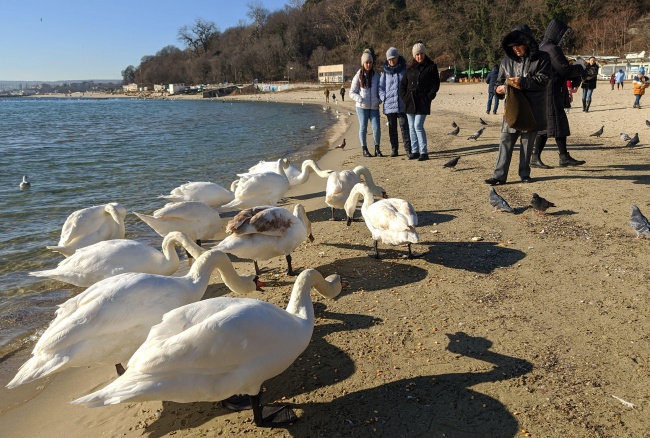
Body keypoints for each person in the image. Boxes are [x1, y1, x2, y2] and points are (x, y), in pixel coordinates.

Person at [485, 24, 551, 185]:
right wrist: (498, 90)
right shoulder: (506, 62)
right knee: (505, 141)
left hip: (532, 108)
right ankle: (499, 176)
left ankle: (524, 173)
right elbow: (498, 83)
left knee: (527, 144)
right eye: (512, 46)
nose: (516, 49)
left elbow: (544, 80)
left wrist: (522, 82)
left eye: (518, 45)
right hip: (512, 109)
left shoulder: (543, 58)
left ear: (527, 42)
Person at [532, 19, 586, 169]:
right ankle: (554, 157)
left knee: (551, 124)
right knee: (554, 122)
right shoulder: (552, 49)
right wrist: (580, 69)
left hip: (545, 91)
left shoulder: (541, 46)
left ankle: (556, 157)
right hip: (551, 92)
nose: (564, 38)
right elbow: (564, 70)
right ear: (558, 33)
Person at [399, 42, 440, 161]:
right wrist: (404, 96)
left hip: (423, 101)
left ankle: (424, 152)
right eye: (417, 54)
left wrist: (429, 97)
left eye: (421, 54)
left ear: (425, 53)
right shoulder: (409, 68)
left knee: (418, 125)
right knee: (411, 126)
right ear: (414, 55)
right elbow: (403, 84)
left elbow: (435, 85)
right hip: (410, 101)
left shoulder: (431, 67)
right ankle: (415, 150)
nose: (419, 56)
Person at [350, 49, 383, 157]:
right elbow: (351, 92)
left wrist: (379, 99)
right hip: (362, 107)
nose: (368, 64)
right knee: (363, 127)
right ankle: (364, 149)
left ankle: (377, 148)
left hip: (374, 107)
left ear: (372, 63)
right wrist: (359, 99)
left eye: (370, 62)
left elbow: (380, 89)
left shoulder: (376, 76)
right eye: (366, 62)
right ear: (363, 63)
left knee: (376, 127)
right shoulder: (358, 76)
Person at [379, 47, 411, 157]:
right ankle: (394, 149)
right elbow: (380, 87)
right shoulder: (385, 72)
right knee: (392, 128)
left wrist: (406, 96)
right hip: (389, 105)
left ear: (397, 58)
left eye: (393, 58)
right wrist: (384, 98)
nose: (391, 61)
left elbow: (408, 84)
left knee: (404, 127)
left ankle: (408, 150)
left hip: (402, 104)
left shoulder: (404, 69)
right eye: (389, 59)